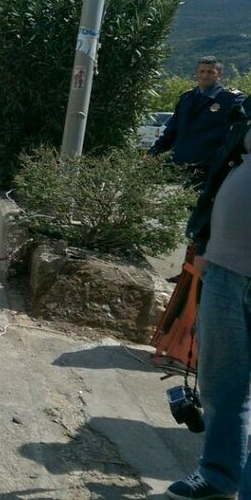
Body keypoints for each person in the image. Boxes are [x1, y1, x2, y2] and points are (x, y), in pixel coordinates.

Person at [167, 98, 251, 500]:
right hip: (224, 266)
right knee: (222, 385)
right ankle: (219, 476)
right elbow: (221, 169)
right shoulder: (246, 110)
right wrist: (202, 239)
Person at [149, 56, 244, 187]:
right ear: (196, 74)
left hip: (210, 168)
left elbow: (236, 135)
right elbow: (171, 132)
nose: (205, 75)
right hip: (182, 165)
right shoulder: (186, 98)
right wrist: (152, 154)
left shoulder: (231, 100)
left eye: (210, 72)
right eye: (202, 71)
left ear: (220, 75)